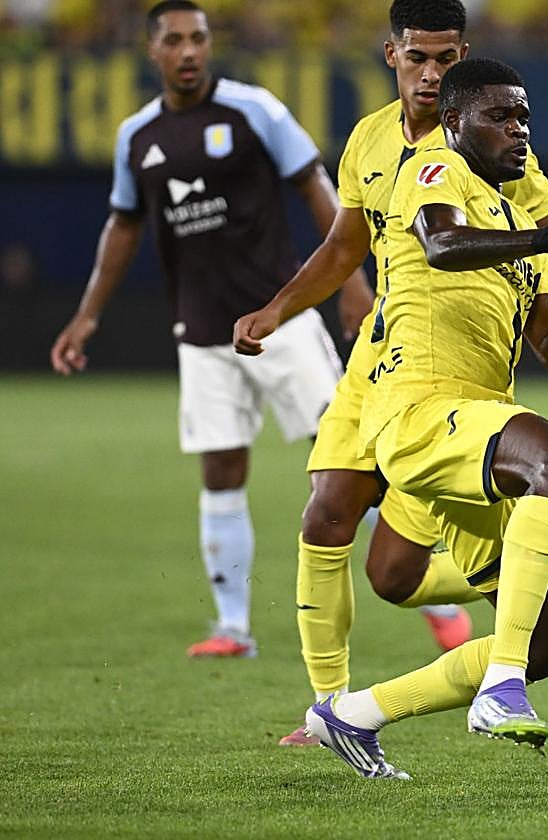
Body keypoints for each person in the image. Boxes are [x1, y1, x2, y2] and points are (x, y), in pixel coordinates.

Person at [300, 57, 548, 779]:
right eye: (500, 116)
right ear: (454, 122)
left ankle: (352, 715)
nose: (518, 129)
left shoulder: (518, 223)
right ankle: (500, 688)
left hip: (473, 424)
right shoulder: (436, 172)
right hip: (415, 411)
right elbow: (441, 245)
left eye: (524, 117)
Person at [232, 0, 548, 747]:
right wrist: (279, 310)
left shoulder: (513, 164)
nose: (430, 72)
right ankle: (326, 706)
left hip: (457, 370)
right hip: (383, 360)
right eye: (417, 57)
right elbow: (343, 246)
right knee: (325, 515)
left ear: (464, 60)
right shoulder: (370, 141)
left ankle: (523, 557)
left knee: (392, 575)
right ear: (392, 54)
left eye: (445, 59)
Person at [48, 0, 372, 658]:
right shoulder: (137, 136)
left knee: (348, 463)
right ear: (153, 51)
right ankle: (233, 629)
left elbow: (317, 186)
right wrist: (87, 314)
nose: (189, 51)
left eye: (198, 37)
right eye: (174, 40)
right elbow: (124, 225)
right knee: (221, 469)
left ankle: (439, 597)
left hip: (282, 319)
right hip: (202, 334)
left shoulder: (255, 110)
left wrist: (352, 284)